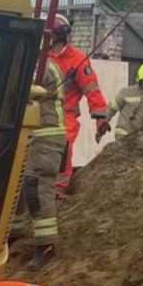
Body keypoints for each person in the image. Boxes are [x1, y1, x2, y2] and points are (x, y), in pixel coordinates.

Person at [13, 52, 68, 271]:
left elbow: (21, 89)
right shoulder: (37, 63)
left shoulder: (41, 67)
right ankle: (13, 235)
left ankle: (46, 245)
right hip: (33, 136)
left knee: (36, 188)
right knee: (17, 188)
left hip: (45, 139)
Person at [47, 16, 109, 194]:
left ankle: (58, 190)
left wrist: (100, 118)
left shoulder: (78, 60)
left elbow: (92, 90)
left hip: (66, 116)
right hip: (40, 112)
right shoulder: (42, 57)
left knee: (63, 147)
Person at [108, 62, 143, 139]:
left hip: (141, 136)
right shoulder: (126, 92)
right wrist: (103, 122)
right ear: (140, 80)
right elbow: (111, 108)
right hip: (124, 133)